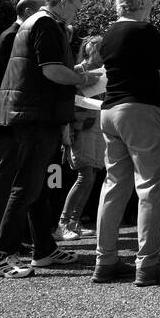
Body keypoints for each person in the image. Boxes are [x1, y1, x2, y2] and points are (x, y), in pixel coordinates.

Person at [0, 0, 95, 279]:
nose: (76, 15)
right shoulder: (46, 23)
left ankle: (43, 250)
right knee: (26, 188)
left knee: (37, 188)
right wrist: (83, 79)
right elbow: (52, 70)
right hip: (34, 116)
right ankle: (1, 257)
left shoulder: (35, 23)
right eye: (76, 8)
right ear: (65, 2)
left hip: (29, 113)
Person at [93, 0, 160, 285]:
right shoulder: (145, 30)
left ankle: (105, 260)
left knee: (113, 185)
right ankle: (148, 264)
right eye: (150, 2)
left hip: (109, 111)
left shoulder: (108, 35)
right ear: (144, 4)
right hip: (141, 110)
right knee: (150, 186)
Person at [0, 0, 46, 265]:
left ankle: (10, 242)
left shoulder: (16, 35)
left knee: (18, 181)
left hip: (12, 117)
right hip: (7, 118)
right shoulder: (11, 36)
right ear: (27, 11)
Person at [57, 35, 105, 241]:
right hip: (81, 127)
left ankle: (74, 223)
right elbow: (68, 100)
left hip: (98, 125)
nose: (104, 54)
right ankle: (63, 223)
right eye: (100, 49)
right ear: (89, 50)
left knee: (91, 175)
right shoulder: (77, 71)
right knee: (84, 175)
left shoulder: (105, 72)